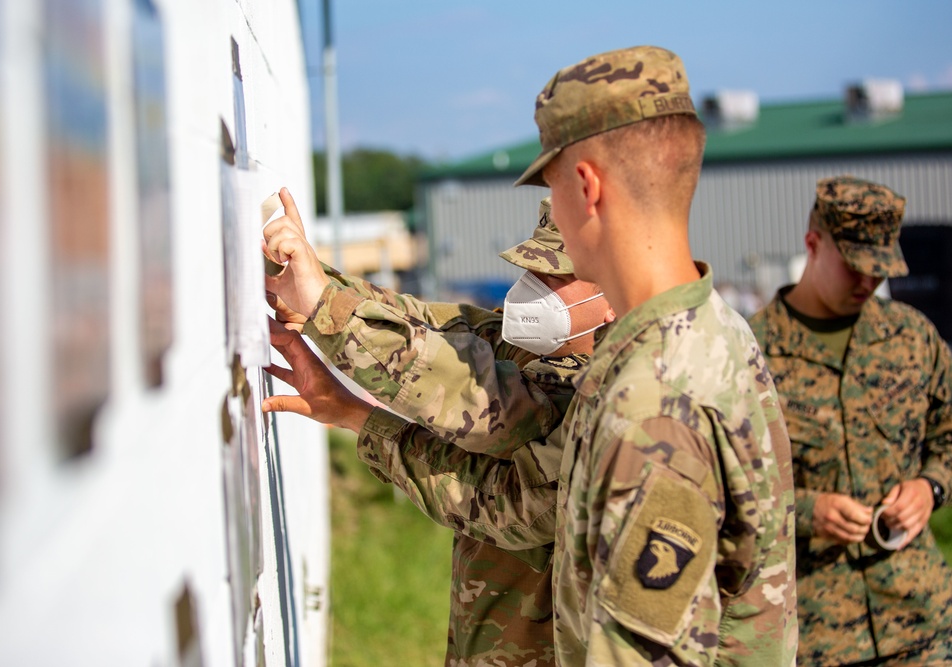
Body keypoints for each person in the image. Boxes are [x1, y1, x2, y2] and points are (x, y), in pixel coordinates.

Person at [266, 45, 798, 666]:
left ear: (585, 186)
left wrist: (330, 307)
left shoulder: (652, 396)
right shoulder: (706, 335)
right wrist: (334, 317)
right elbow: (470, 350)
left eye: (551, 186)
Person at [264, 195, 613, 666]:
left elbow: (472, 392)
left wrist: (327, 308)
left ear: (615, 292)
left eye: (557, 277)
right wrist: (315, 280)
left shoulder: (603, 395)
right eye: (533, 269)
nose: (534, 287)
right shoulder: (531, 348)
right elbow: (428, 325)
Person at [748, 175, 952, 666]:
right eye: (856, 267)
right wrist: (806, 510)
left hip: (921, 622)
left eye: (880, 270)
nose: (869, 283)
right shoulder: (748, 353)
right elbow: (723, 487)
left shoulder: (911, 336)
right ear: (812, 244)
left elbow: (947, 437)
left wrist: (931, 488)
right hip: (813, 633)